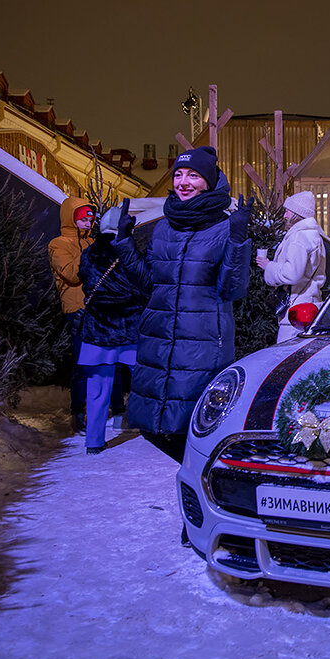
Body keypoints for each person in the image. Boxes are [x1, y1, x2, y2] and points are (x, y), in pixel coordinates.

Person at [113, 145, 252, 463]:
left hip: (200, 346)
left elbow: (231, 289)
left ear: (210, 181)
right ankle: (201, 480)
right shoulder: (164, 227)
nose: (183, 181)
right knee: (152, 428)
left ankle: (210, 489)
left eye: (193, 175)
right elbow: (149, 284)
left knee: (193, 429)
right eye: (178, 174)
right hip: (158, 344)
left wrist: (238, 240)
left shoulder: (223, 228)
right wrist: (124, 244)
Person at [77, 203, 149, 454]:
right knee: (143, 383)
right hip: (129, 329)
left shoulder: (89, 254)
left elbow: (83, 280)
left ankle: (94, 441)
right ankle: (150, 432)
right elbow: (140, 284)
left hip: (98, 330)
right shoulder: (128, 252)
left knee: (97, 390)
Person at [48, 196, 95, 433]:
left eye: (91, 216)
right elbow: (72, 274)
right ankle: (78, 413)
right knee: (81, 364)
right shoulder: (58, 244)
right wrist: (91, 251)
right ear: (72, 219)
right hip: (77, 311)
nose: (90, 220)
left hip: (98, 309)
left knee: (106, 363)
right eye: (84, 216)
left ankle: (104, 409)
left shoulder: (91, 243)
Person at [257, 190, 327, 343]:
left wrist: (268, 266)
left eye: (288, 211)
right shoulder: (312, 235)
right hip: (308, 305)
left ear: (297, 213)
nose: (285, 215)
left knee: (286, 355)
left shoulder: (299, 237)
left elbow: (291, 274)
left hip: (296, 310)